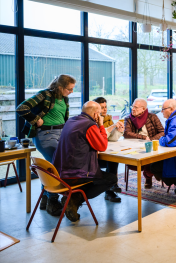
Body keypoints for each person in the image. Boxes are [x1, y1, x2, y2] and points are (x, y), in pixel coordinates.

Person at [16, 74, 76, 217]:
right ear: (60, 87)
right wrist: (36, 119)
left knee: (51, 166)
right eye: (69, 89)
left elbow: (63, 118)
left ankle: (45, 198)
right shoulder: (45, 94)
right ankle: (52, 201)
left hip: (61, 133)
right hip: (46, 134)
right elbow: (21, 108)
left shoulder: (64, 98)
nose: (71, 92)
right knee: (56, 166)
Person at [53, 101, 117, 222]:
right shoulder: (89, 125)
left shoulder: (71, 121)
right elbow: (102, 146)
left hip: (61, 171)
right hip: (75, 174)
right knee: (111, 179)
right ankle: (75, 198)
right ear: (96, 114)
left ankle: (73, 198)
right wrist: (101, 125)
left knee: (99, 173)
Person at [124, 98, 165, 189]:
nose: (133, 109)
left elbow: (162, 132)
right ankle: (152, 174)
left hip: (151, 146)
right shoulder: (128, 118)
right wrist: (143, 138)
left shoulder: (152, 117)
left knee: (149, 157)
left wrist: (151, 140)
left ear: (143, 109)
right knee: (146, 158)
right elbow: (127, 133)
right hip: (135, 148)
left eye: (136, 107)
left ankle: (149, 176)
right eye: (132, 106)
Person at [93, 97, 124, 202]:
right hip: (94, 157)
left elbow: (111, 138)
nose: (105, 109)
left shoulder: (107, 119)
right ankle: (111, 188)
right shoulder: (93, 121)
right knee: (112, 161)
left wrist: (118, 130)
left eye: (106, 107)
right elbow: (99, 137)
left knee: (114, 158)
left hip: (104, 151)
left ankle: (111, 189)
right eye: (102, 108)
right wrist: (112, 127)